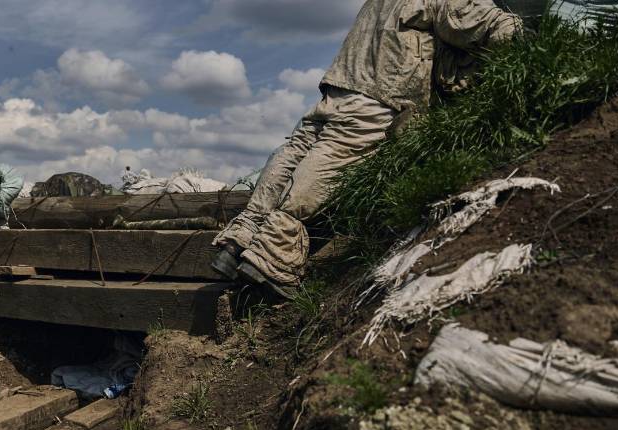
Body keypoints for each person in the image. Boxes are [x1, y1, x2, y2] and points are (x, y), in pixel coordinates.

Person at [212, 0, 522, 296]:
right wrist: (526, 36)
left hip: (338, 88)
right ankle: (272, 257)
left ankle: (240, 239)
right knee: (328, 165)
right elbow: (482, 23)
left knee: (294, 153)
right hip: (379, 97)